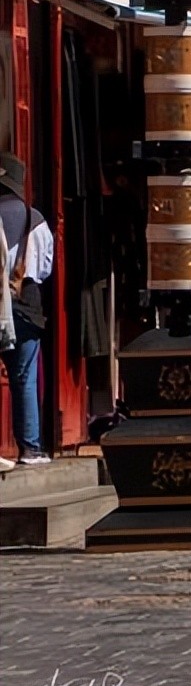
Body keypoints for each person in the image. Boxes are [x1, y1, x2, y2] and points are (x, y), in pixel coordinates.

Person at [0, 153, 54, 465]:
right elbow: (42, 269)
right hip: (22, 307)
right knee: (23, 376)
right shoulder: (34, 219)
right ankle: (30, 448)